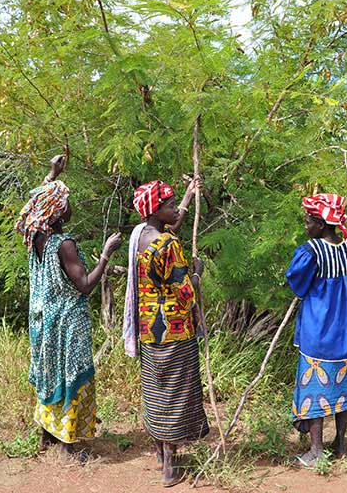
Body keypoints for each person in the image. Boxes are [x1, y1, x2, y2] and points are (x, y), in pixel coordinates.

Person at [16, 155, 122, 460]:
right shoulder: (63, 244)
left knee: (49, 373)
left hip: (41, 320)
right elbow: (86, 285)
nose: (70, 206)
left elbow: (31, 208)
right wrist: (105, 254)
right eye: (66, 202)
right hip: (66, 321)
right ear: (58, 211)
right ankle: (68, 445)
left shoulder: (34, 235)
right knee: (71, 375)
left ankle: (46, 435)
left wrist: (51, 174)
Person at [123, 178, 209, 487]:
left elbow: (173, 224)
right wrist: (196, 271)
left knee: (157, 392)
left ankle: (161, 453)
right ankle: (170, 467)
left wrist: (187, 195)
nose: (175, 210)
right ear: (156, 210)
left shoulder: (142, 235)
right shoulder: (168, 245)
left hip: (149, 330)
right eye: (170, 205)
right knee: (176, 394)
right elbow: (185, 291)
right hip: (174, 330)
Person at [286, 193, 347, 467]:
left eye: (308, 221)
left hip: (319, 334)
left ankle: (316, 450)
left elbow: (298, 286)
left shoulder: (311, 252)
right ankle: (341, 444)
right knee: (344, 390)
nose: (305, 226)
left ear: (321, 224)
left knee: (316, 390)